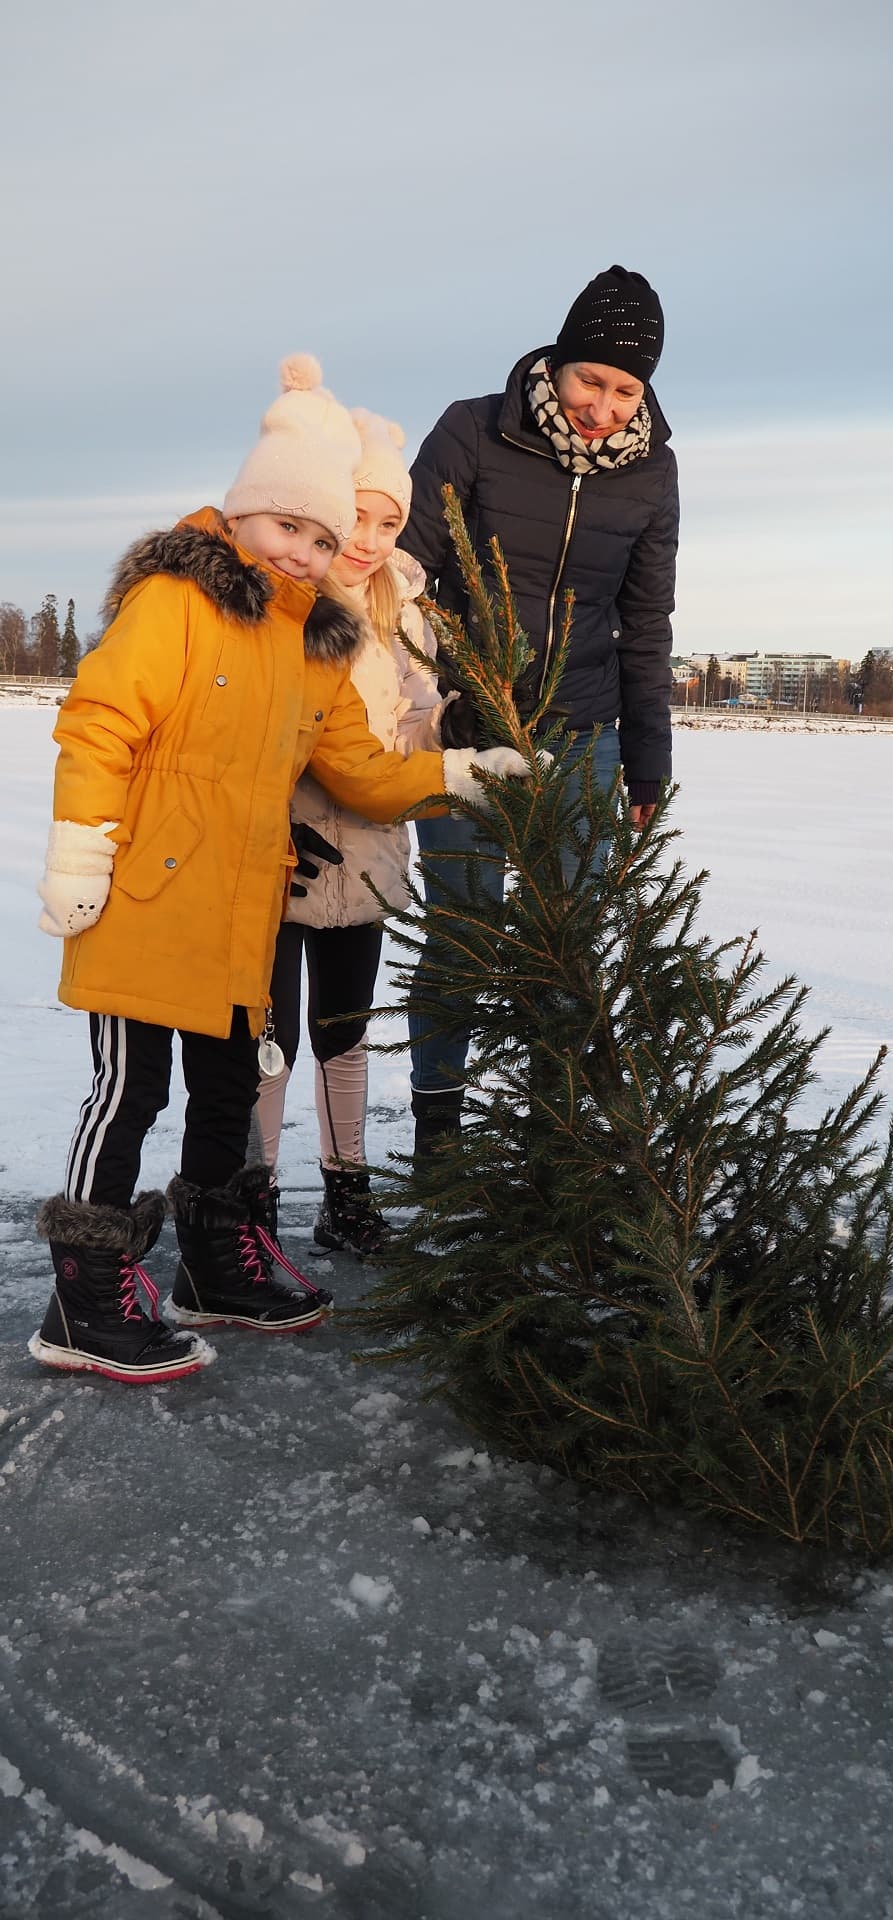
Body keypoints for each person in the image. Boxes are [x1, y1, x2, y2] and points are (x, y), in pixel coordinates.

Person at [30, 356, 530, 1386]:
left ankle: (214, 1266)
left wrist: (466, 775)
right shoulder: (176, 600)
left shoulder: (312, 642)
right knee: (129, 1089)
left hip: (242, 912)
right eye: (285, 528)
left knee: (224, 1092)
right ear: (245, 511)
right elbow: (99, 718)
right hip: (143, 895)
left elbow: (362, 769)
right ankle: (83, 1299)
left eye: (320, 535)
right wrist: (80, 847)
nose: (303, 553)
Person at [399, 265, 679, 1158]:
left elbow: (646, 622)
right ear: (557, 364)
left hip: (587, 729)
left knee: (569, 933)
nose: (603, 405)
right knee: (463, 928)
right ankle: (439, 1127)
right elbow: (405, 566)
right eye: (590, 379)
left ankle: (548, 1132)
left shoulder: (653, 473)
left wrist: (648, 764)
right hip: (468, 721)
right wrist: (431, 691)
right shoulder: (474, 430)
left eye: (625, 389)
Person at [251, 408, 447, 1257]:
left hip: (366, 852)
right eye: (355, 515)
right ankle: (249, 1202)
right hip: (279, 856)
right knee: (268, 1036)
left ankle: (347, 1195)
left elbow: (419, 718)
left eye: (388, 521)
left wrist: (447, 741)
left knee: (346, 1027)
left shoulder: (403, 608)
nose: (367, 539)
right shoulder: (282, 594)